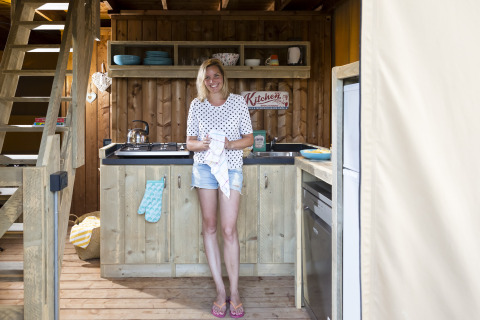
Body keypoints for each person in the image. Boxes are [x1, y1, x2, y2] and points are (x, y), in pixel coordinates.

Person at [186, 58, 253, 318]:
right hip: (204, 168)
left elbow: (248, 138)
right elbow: (189, 142)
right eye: (207, 77)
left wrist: (228, 143)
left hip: (232, 167)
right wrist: (203, 144)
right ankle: (220, 291)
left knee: (228, 228)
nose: (212, 81)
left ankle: (234, 292)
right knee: (210, 226)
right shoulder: (197, 105)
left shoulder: (237, 102)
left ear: (223, 77)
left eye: (216, 76)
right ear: (202, 82)